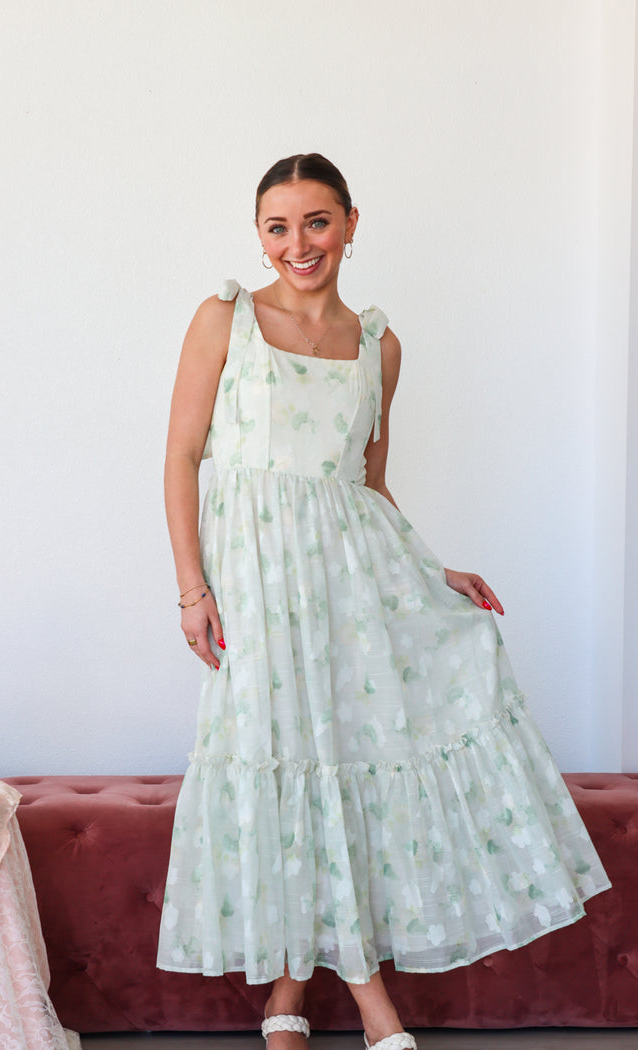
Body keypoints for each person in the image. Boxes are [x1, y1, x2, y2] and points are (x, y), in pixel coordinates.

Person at [157, 154, 610, 1050]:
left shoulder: (378, 345)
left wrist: (432, 571)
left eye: (317, 222)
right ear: (259, 234)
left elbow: (368, 484)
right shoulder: (225, 321)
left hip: (354, 577)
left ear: (352, 224)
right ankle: (368, 1005)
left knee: (344, 756)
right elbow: (180, 458)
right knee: (285, 754)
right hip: (256, 578)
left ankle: (289, 995)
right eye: (278, 226)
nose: (298, 244)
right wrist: (191, 588)